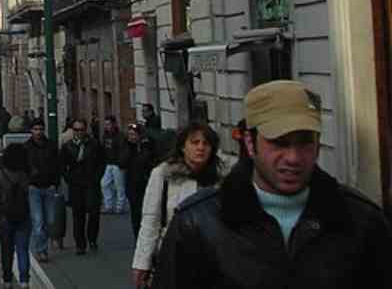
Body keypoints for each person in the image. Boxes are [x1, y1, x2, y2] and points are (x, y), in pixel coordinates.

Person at [151, 81, 392, 288]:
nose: (294, 157)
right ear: (250, 142)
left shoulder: (362, 221)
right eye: (279, 142)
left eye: (305, 142)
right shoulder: (198, 223)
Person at [130, 121, 231, 287]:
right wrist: (142, 264)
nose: (201, 148)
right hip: (173, 258)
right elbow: (150, 222)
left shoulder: (222, 179)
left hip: (213, 261)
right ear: (183, 147)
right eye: (194, 142)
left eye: (206, 143)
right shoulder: (163, 175)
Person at [0, 143, 32, 289]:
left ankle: (7, 279)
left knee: (7, 249)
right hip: (24, 215)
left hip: (5, 216)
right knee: (23, 249)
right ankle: (24, 280)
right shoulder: (26, 174)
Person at [60, 118, 105, 255]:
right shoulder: (67, 146)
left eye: (81, 130)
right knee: (78, 215)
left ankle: (92, 238)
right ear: (72, 131)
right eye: (76, 130)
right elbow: (62, 165)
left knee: (93, 212)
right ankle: (80, 244)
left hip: (91, 183)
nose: (79, 132)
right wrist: (69, 179)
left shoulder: (94, 144)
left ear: (86, 130)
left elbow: (101, 162)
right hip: (76, 184)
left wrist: (97, 177)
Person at [23, 120, 60, 262]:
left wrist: (55, 184)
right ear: (31, 131)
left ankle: (43, 245)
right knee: (38, 221)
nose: (38, 132)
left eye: (40, 129)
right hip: (34, 188)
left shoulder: (51, 146)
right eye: (35, 129)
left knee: (49, 220)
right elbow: (24, 168)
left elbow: (57, 165)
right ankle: (41, 250)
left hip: (49, 187)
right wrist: (28, 183)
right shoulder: (26, 147)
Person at [123, 123, 157, 237]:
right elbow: (121, 162)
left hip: (146, 185)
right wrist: (129, 147)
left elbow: (151, 163)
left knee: (149, 213)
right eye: (130, 135)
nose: (131, 137)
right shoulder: (127, 147)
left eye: (133, 135)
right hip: (133, 187)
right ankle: (138, 237)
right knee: (136, 215)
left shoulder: (147, 147)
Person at [99, 116, 126, 215]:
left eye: (109, 124)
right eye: (105, 124)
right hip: (108, 163)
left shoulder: (120, 136)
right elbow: (103, 149)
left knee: (119, 186)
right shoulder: (105, 136)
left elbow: (123, 149)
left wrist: (120, 162)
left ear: (114, 124)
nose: (107, 126)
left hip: (117, 164)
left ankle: (120, 206)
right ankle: (108, 205)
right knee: (104, 184)